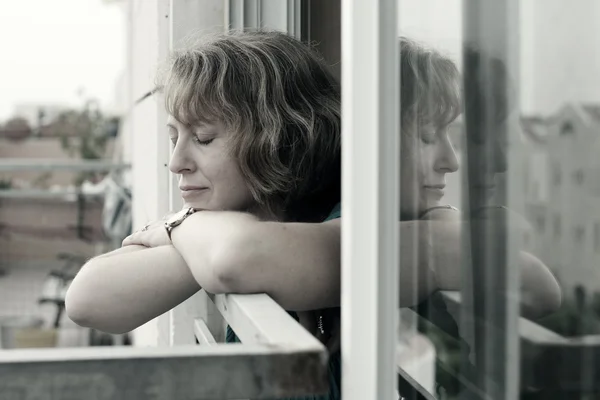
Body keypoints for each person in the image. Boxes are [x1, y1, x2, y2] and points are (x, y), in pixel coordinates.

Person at [66, 32, 560, 400]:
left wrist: (179, 226)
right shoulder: (223, 225)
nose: (175, 161)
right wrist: (189, 228)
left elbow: (237, 256)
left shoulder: (320, 225)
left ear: (280, 135)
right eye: (174, 136)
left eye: (204, 137)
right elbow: (88, 298)